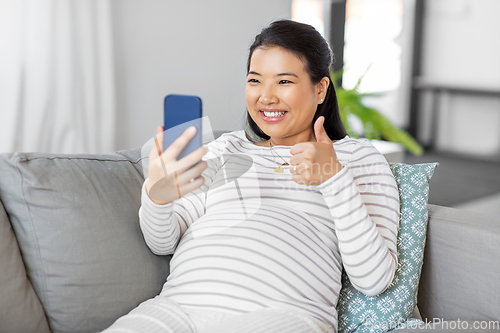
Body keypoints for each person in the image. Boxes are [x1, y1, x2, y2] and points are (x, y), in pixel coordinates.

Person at [103, 20, 399, 333]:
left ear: (320, 88)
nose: (266, 97)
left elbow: (374, 279)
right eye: (255, 80)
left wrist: (333, 180)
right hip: (177, 308)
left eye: (284, 81)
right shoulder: (225, 148)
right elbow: (162, 242)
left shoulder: (357, 158)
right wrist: (158, 195)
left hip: (283, 316)